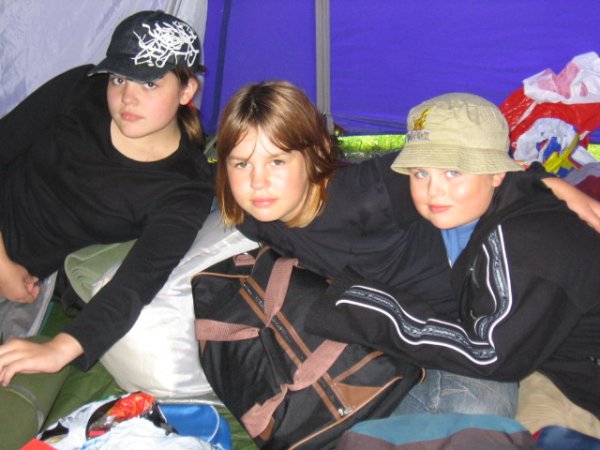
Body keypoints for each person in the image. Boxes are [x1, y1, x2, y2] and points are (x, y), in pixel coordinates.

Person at [215, 81, 600, 418]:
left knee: (474, 410)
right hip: (394, 336)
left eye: (277, 161)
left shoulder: (371, 193)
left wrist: (547, 184)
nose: (258, 182)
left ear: (314, 151)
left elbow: (464, 166)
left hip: (455, 328)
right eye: (242, 164)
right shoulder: (253, 213)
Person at [0, 10, 214, 385]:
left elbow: (136, 282)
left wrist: (60, 348)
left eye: (149, 84)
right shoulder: (81, 90)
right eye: (119, 78)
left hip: (23, 283)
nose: (127, 98)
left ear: (186, 91)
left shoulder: (184, 187)